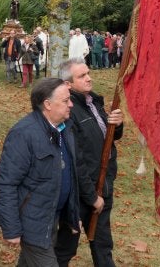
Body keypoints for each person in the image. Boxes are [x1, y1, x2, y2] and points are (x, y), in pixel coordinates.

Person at [0, 78, 79, 266]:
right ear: (47, 104)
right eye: (65, 100)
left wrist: (73, 215)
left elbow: (68, 175)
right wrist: (11, 228)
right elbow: (5, 184)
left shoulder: (64, 130)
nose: (71, 104)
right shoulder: (24, 134)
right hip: (32, 223)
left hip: (50, 217)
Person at [55, 58, 124, 267]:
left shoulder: (94, 102)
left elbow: (106, 140)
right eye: (82, 76)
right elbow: (75, 160)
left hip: (103, 185)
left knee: (103, 245)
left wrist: (117, 125)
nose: (89, 78)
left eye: (88, 73)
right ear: (68, 83)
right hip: (79, 193)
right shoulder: (68, 112)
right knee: (65, 248)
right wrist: (91, 196)